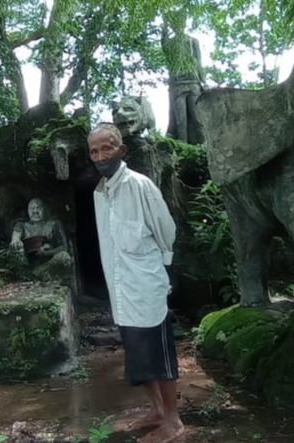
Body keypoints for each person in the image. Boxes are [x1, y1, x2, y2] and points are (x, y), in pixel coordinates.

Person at [87, 123, 184, 443]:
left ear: (121, 150)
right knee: (138, 354)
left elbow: (166, 230)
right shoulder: (100, 193)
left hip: (146, 284)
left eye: (106, 148)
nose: (100, 155)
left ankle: (173, 421)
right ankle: (156, 410)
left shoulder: (139, 186)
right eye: (94, 150)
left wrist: (162, 271)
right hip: (121, 288)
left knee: (159, 353)